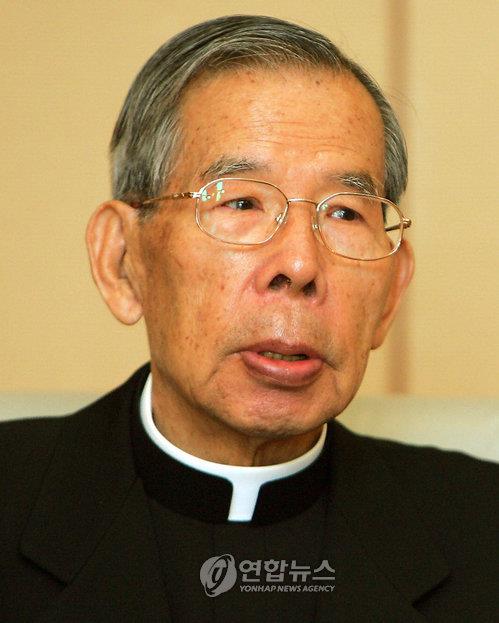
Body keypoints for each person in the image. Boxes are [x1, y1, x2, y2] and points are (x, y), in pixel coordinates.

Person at [1, 15, 497, 623]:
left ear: (391, 292)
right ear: (123, 260)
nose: (300, 264)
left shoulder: (485, 530)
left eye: (345, 213)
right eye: (241, 202)